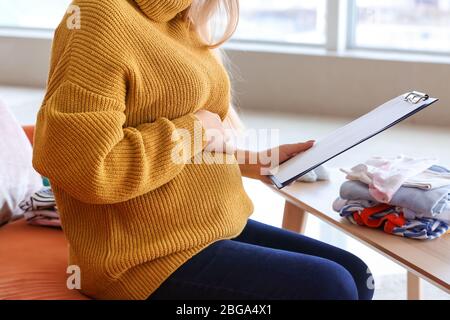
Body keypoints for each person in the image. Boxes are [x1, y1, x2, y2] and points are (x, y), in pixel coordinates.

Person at [33, 0, 374, 300]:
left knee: (358, 275)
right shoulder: (97, 15)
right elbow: (86, 167)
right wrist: (192, 129)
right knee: (330, 287)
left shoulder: (181, 16)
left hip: (208, 226)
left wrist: (254, 161)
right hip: (142, 258)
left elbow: (192, 134)